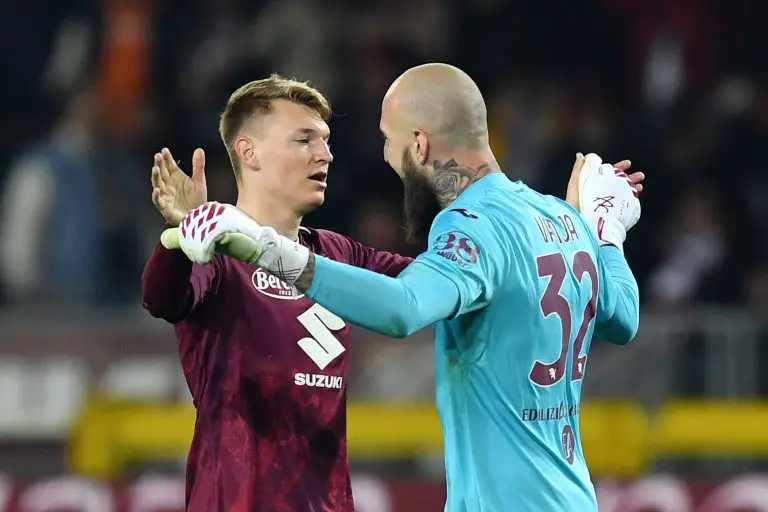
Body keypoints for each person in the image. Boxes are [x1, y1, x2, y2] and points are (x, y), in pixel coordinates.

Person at [163, 63, 644, 512]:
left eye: (388, 141)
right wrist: (607, 235)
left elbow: (405, 306)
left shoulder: (471, 226)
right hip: (574, 497)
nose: (386, 156)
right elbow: (623, 317)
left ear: (419, 144)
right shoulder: (560, 219)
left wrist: (265, 248)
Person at [141, 75, 412, 512]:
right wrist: (180, 237)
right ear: (250, 152)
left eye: (324, 141)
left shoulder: (337, 254)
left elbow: (433, 283)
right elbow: (163, 298)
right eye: (304, 140)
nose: (325, 153)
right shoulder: (217, 255)